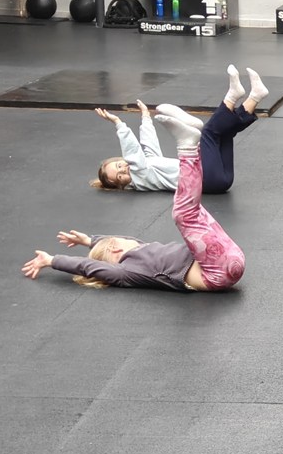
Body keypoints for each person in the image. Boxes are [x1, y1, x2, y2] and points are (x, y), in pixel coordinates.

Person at [23, 106, 244, 293]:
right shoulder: (127, 270)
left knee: (195, 210)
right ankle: (188, 146)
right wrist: (52, 260)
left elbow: (128, 241)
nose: (121, 241)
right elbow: (86, 266)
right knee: (183, 214)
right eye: (114, 244)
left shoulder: (140, 249)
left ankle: (191, 143)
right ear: (115, 253)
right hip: (214, 272)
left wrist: (90, 240)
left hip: (228, 257)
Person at [91, 67, 267, 193]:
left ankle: (255, 96)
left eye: (119, 166)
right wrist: (119, 123)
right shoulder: (140, 178)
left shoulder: (148, 168)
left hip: (219, 180)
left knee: (225, 133)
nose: (124, 170)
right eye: (119, 177)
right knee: (208, 133)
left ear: (120, 159)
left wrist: (146, 117)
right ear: (122, 186)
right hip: (206, 181)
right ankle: (232, 95)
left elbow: (149, 148)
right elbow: (133, 152)